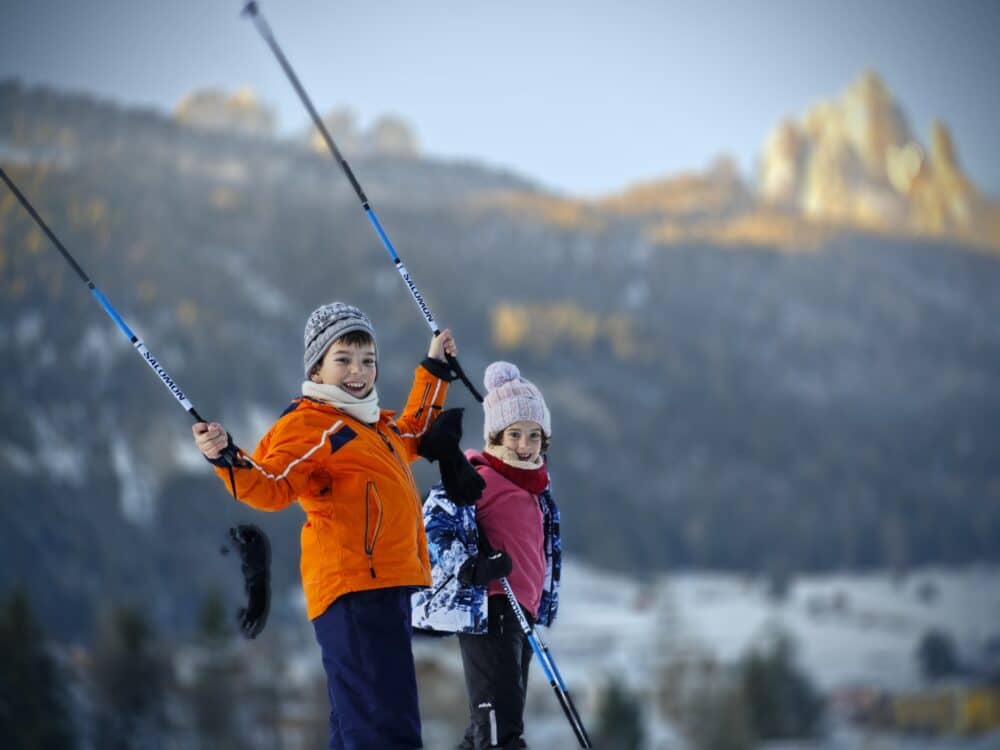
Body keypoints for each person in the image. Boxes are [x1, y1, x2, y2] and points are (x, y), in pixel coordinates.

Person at [193, 301, 458, 750]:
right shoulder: (311, 425)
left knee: (362, 726)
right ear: (316, 369)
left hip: (384, 589)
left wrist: (434, 368)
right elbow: (271, 484)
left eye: (367, 361)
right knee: (384, 729)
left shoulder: (374, 425)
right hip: (355, 591)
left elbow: (415, 431)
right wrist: (225, 457)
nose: (358, 371)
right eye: (343, 360)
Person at [412, 361, 562, 750]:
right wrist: (470, 567)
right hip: (489, 608)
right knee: (501, 730)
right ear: (495, 435)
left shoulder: (535, 488)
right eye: (515, 435)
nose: (525, 445)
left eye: (534, 436)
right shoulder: (476, 478)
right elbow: (433, 529)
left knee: (493, 721)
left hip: (522, 612)